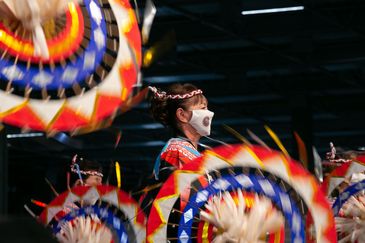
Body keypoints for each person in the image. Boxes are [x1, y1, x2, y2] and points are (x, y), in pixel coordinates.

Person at [149, 83, 214, 180]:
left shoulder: (194, 153)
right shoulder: (174, 152)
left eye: (207, 108)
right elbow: (181, 193)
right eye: (202, 108)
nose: (209, 113)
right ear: (182, 115)